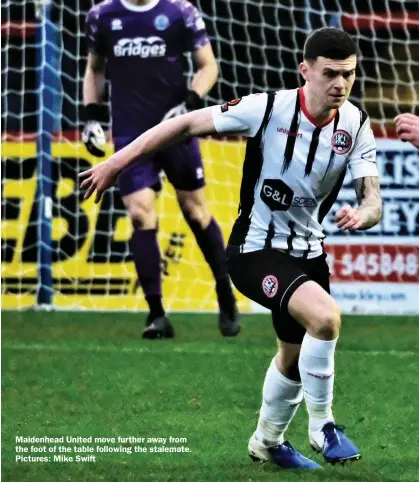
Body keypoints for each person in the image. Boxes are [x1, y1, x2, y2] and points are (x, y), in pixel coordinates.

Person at [80, 27, 383, 469]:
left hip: (308, 254)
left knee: (294, 357)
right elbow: (183, 124)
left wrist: (365, 213)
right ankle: (323, 425)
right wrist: (115, 161)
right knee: (325, 318)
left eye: (349, 75)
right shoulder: (269, 108)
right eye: (331, 74)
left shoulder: (354, 124)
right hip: (254, 251)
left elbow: (371, 197)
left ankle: (267, 442)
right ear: (306, 71)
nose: (340, 84)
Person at [82, 0, 240, 339]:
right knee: (140, 214)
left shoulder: (180, 12)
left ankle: (224, 290)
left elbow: (208, 66)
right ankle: (156, 314)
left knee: (196, 213)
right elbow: (94, 69)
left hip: (176, 130)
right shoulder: (101, 16)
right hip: (129, 134)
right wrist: (91, 117)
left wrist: (191, 102)